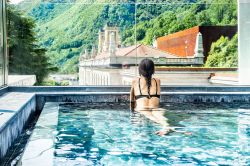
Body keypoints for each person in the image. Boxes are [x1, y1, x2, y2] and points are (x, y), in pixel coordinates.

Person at [130, 59, 191, 136]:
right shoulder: (157, 81)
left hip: (142, 109)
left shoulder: (135, 81)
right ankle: (170, 128)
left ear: (140, 70)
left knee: (153, 118)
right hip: (156, 108)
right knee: (162, 118)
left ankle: (167, 127)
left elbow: (132, 100)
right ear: (153, 70)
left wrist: (132, 113)